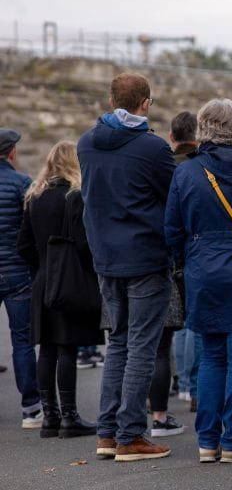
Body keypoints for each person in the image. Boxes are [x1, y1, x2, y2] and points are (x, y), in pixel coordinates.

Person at [77, 72, 176, 461]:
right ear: (146, 103)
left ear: (111, 99)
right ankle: (130, 434)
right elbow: (173, 197)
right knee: (142, 347)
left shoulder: (87, 143)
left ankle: (108, 431)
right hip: (145, 255)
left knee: (117, 341)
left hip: (106, 256)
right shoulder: (152, 149)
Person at [165, 98, 232, 463]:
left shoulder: (186, 172)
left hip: (202, 270)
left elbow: (172, 229)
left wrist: (184, 265)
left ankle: (208, 441)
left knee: (211, 357)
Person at [16, 141, 102, 438]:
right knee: (67, 346)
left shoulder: (35, 197)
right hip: (69, 279)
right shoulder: (74, 196)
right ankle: (69, 416)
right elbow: (83, 243)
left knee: (47, 349)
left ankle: (49, 416)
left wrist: (43, 262)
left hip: (43, 277)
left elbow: (23, 244)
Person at [0, 128, 42, 429]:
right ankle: (30, 407)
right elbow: (32, 231)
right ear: (11, 153)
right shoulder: (21, 183)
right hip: (16, 270)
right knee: (22, 340)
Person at [168, 111, 202, 410]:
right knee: (194, 323)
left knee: (180, 323)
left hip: (173, 251)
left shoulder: (167, 166)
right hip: (195, 249)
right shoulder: (197, 167)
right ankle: (192, 384)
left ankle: (182, 382)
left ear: (171, 137)